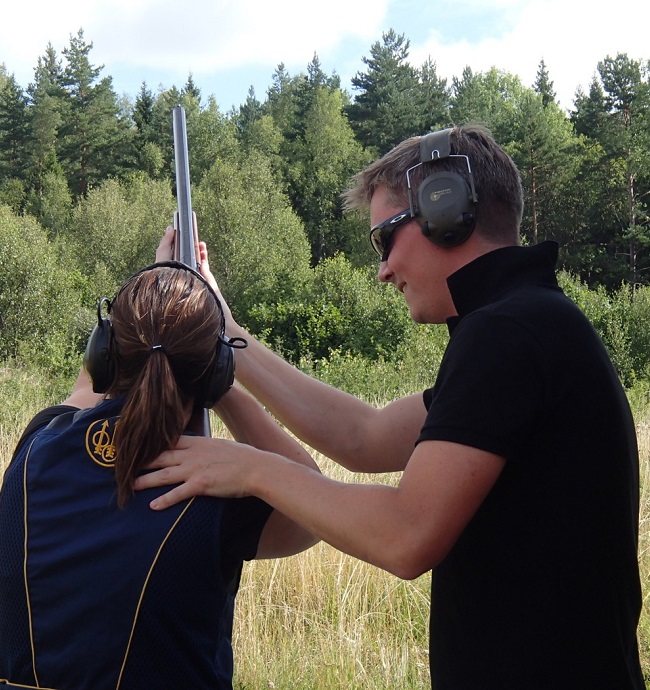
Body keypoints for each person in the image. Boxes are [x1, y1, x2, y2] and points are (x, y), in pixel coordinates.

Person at [136, 125, 644, 688]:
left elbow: (406, 537)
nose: (381, 270)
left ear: (444, 211)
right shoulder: (528, 323)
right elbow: (363, 437)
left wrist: (250, 469)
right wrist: (223, 328)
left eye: (384, 240)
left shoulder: (508, 334)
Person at [0, 256, 319, 689]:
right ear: (215, 374)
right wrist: (220, 384)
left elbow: (84, 391)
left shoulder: (35, 451)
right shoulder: (211, 489)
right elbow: (312, 505)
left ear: (105, 354)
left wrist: (151, 299)